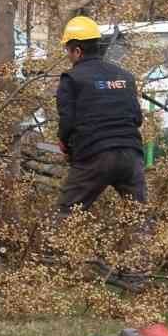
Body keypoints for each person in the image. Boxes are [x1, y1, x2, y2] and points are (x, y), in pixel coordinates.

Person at [55, 16, 147, 213]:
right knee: (139, 218)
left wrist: (64, 143)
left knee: (66, 216)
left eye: (68, 51)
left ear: (77, 51)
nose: (68, 56)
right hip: (131, 155)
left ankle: (56, 243)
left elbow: (67, 122)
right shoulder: (125, 76)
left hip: (94, 156)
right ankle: (148, 243)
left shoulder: (71, 79)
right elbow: (137, 119)